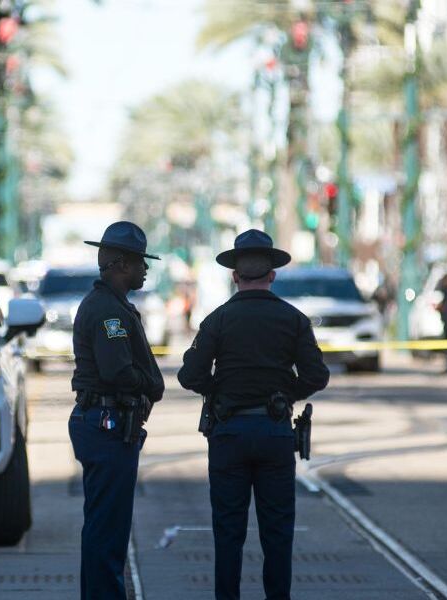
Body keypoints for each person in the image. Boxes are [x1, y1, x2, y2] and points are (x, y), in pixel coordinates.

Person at [178, 229, 330, 600]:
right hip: (275, 433)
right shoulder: (293, 319)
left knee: (228, 533)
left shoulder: (217, 320)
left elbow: (189, 375)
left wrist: (221, 393)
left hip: (228, 433)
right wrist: (283, 396)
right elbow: (316, 375)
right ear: (272, 274)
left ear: (234, 276)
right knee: (277, 533)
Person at [69, 221, 165, 600]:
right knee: (108, 531)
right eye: (141, 262)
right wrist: (149, 385)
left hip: (106, 425)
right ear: (121, 264)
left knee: (103, 527)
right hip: (107, 426)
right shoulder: (108, 311)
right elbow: (117, 371)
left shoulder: (111, 305)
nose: (145, 270)